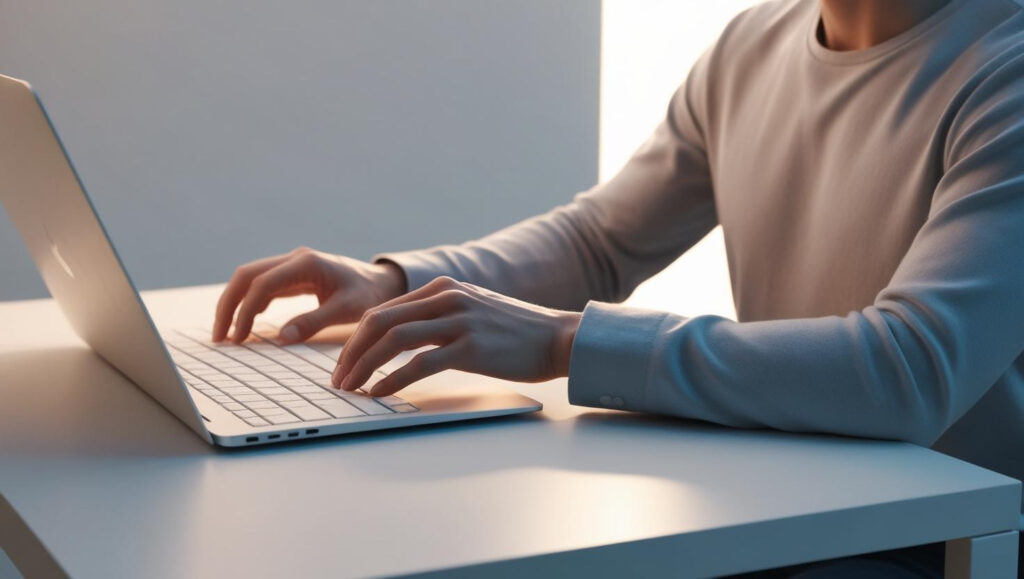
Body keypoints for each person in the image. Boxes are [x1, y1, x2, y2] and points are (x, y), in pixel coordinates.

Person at [213, 0, 1024, 575]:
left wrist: (568, 342)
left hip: (947, 541)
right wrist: (398, 281)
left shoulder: (1005, 67)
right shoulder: (753, 44)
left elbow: (913, 369)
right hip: (794, 506)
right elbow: (600, 240)